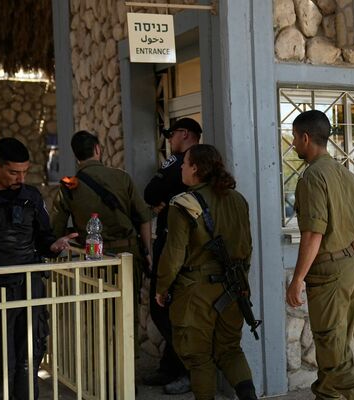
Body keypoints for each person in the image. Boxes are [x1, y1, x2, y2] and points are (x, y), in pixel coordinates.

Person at [0, 137, 77, 399]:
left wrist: (55, 245)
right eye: (14, 172)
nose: (21, 179)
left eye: (25, 172)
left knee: (29, 359)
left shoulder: (31, 196)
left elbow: (43, 238)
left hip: (29, 288)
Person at [284, 110, 354, 400]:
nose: (294, 144)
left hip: (330, 275)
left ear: (305, 137)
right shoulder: (345, 173)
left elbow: (313, 233)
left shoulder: (313, 177)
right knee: (336, 347)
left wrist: (297, 279)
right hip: (350, 267)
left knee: (334, 356)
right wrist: (346, 258)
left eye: (295, 138)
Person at [154, 144, 258, 400]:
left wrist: (161, 288)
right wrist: (241, 279)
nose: (181, 167)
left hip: (195, 293)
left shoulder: (182, 205)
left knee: (199, 358)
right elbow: (247, 247)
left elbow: (173, 255)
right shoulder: (238, 199)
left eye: (185, 163)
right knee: (231, 350)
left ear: (196, 168)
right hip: (233, 288)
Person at [50, 130, 153, 343]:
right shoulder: (121, 177)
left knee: (99, 313)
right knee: (127, 312)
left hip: (94, 257)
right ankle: (129, 370)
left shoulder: (68, 186)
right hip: (128, 253)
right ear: (97, 149)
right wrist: (147, 252)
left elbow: (56, 228)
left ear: (76, 155)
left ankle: (105, 370)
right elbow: (144, 217)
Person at [143, 117, 201, 393]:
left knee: (162, 309)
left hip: (176, 244)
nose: (168, 138)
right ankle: (170, 367)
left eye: (171, 133)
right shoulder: (192, 161)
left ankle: (188, 369)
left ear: (185, 134)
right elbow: (152, 194)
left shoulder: (180, 161)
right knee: (167, 310)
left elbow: (151, 191)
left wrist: (162, 202)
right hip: (180, 243)